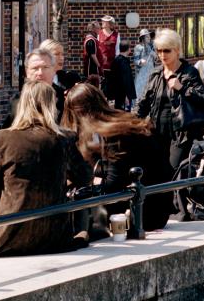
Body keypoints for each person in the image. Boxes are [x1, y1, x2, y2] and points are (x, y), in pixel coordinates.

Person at [0, 81, 91, 258]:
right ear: (52, 105)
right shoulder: (64, 139)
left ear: (22, 104)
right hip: (53, 234)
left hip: (9, 238)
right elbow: (84, 176)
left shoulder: (1, 139)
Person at [63, 82, 173, 232]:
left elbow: (113, 185)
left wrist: (89, 183)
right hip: (157, 204)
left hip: (146, 214)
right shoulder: (121, 121)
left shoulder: (115, 133)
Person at [136, 29, 204, 169]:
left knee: (174, 168)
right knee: (157, 171)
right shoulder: (156, 74)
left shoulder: (189, 73)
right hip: (157, 130)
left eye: (167, 51)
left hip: (180, 133)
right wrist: (128, 122)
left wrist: (182, 88)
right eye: (159, 51)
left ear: (177, 50)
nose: (162, 55)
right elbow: (143, 102)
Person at [102, 39, 136, 111]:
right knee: (124, 115)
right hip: (123, 95)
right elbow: (125, 80)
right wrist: (126, 96)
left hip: (118, 94)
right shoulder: (123, 62)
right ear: (128, 49)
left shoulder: (116, 60)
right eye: (130, 47)